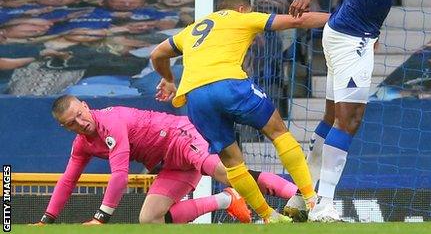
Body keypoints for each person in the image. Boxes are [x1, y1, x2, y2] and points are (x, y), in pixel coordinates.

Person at [287, 0, 428, 222]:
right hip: (351, 41)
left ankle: (300, 196)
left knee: (331, 117)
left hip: (352, 36)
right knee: (349, 121)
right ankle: (323, 204)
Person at [149, 0, 329, 223]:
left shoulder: (192, 29)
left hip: (195, 97)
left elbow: (157, 54)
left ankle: (268, 216)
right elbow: (298, 20)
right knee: (277, 131)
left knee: (232, 161)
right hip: (229, 85)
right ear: (242, 8)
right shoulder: (242, 17)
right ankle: (311, 200)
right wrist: (341, 18)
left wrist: (170, 80)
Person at [35, 95, 300, 225]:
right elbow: (68, 180)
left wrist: (100, 218)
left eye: (81, 114)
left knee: (219, 170)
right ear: (65, 127)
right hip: (170, 164)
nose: (82, 123)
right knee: (149, 220)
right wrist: (47, 219)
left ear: (84, 104)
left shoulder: (110, 122)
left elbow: (119, 176)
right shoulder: (82, 143)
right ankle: (226, 200)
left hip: (181, 137)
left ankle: (295, 194)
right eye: (73, 124)